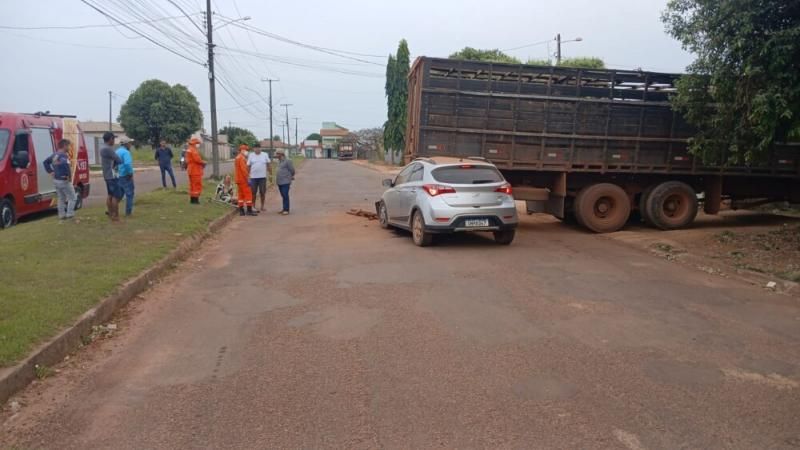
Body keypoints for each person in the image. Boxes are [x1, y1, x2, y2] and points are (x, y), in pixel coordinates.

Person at [43, 138, 77, 220]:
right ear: (64, 145)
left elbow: (45, 162)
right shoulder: (63, 155)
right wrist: (68, 176)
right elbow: (65, 165)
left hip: (56, 180)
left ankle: (61, 215)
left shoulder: (54, 155)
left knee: (61, 198)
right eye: (68, 146)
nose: (69, 148)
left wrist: (50, 171)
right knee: (72, 197)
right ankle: (70, 214)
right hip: (64, 180)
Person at [234, 144, 257, 216]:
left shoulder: (237, 157)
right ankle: (249, 210)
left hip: (238, 180)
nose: (247, 152)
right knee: (248, 195)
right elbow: (244, 170)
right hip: (243, 180)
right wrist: (248, 178)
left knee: (240, 196)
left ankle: (241, 211)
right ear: (243, 150)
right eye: (247, 150)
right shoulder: (242, 158)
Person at [247, 145, 272, 211]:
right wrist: (248, 176)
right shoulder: (251, 155)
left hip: (262, 177)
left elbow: (269, 164)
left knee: (262, 192)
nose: (257, 149)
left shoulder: (265, 155)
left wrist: (270, 175)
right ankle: (253, 206)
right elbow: (248, 166)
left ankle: (262, 206)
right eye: (256, 148)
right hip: (253, 178)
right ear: (254, 149)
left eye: (258, 148)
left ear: (261, 148)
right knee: (253, 192)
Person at [116, 139, 135, 216]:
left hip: (119, 175)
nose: (131, 145)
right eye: (130, 143)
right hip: (126, 175)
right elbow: (127, 164)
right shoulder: (126, 152)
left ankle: (111, 209)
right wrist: (130, 173)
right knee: (130, 194)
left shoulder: (117, 151)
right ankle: (128, 212)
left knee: (119, 194)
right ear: (126, 144)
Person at [185, 137, 206, 204]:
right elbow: (197, 159)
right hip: (195, 170)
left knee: (192, 185)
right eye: (197, 143)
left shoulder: (189, 149)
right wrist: (203, 162)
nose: (198, 145)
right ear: (194, 143)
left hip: (191, 169)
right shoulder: (193, 150)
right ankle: (196, 200)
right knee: (197, 185)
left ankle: (192, 199)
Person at [274, 150, 295, 215]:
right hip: (279, 181)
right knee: (283, 195)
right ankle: (284, 208)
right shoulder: (279, 161)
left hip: (286, 181)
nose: (276, 155)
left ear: (281, 154)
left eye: (277, 154)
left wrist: (291, 176)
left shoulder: (288, 161)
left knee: (285, 195)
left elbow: (292, 170)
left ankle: (286, 210)